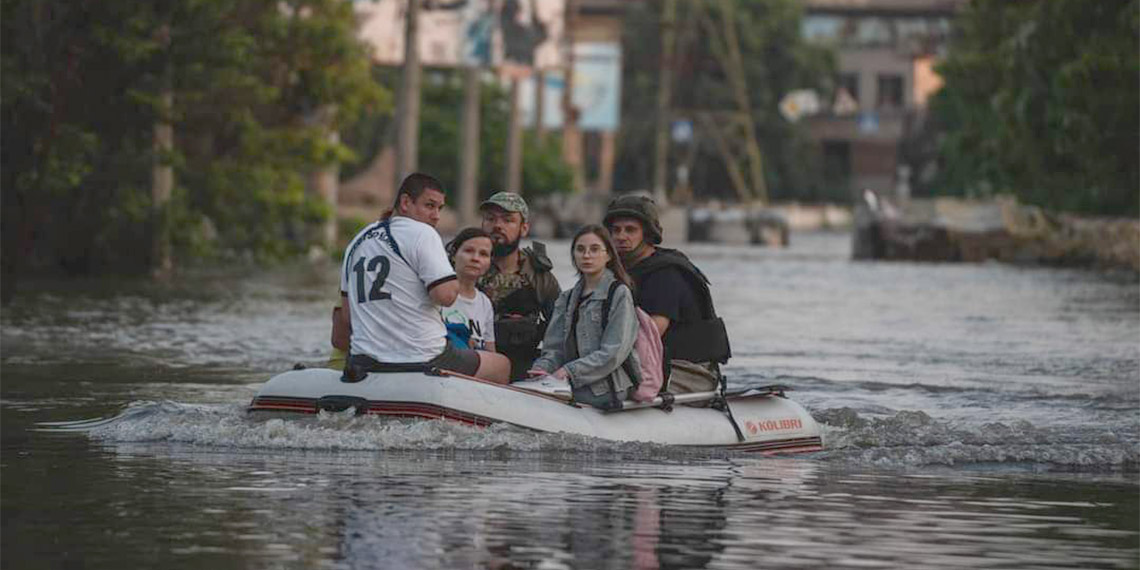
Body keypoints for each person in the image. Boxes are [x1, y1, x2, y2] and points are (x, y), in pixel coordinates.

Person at [338, 173, 510, 384]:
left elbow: (347, 316)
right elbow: (445, 296)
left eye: (440, 208)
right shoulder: (422, 233)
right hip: (423, 358)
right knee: (501, 365)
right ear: (405, 203)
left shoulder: (357, 241)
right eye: (429, 205)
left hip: (363, 361)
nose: (436, 215)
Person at [604, 194, 731, 393]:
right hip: (641, 363)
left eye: (630, 230)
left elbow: (652, 333)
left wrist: (599, 359)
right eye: (616, 230)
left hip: (688, 371)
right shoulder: (614, 272)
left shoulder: (666, 274)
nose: (621, 236)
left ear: (647, 233)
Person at [528, 225, 642, 410]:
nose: (587, 255)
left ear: (609, 255)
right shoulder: (566, 298)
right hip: (570, 381)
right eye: (580, 250)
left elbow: (613, 352)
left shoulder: (619, 293)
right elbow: (554, 348)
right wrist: (543, 369)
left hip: (606, 387)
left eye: (595, 249)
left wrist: (569, 372)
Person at [477, 192, 561, 380]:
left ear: (524, 229)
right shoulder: (468, 266)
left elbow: (560, 328)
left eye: (508, 220)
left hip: (524, 368)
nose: (497, 225)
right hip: (475, 364)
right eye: (490, 219)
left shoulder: (539, 276)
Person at [441, 228, 496, 352]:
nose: (475, 258)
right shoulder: (437, 293)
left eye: (483, 254)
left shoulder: (485, 303)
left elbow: (490, 351)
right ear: (454, 255)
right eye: (469, 251)